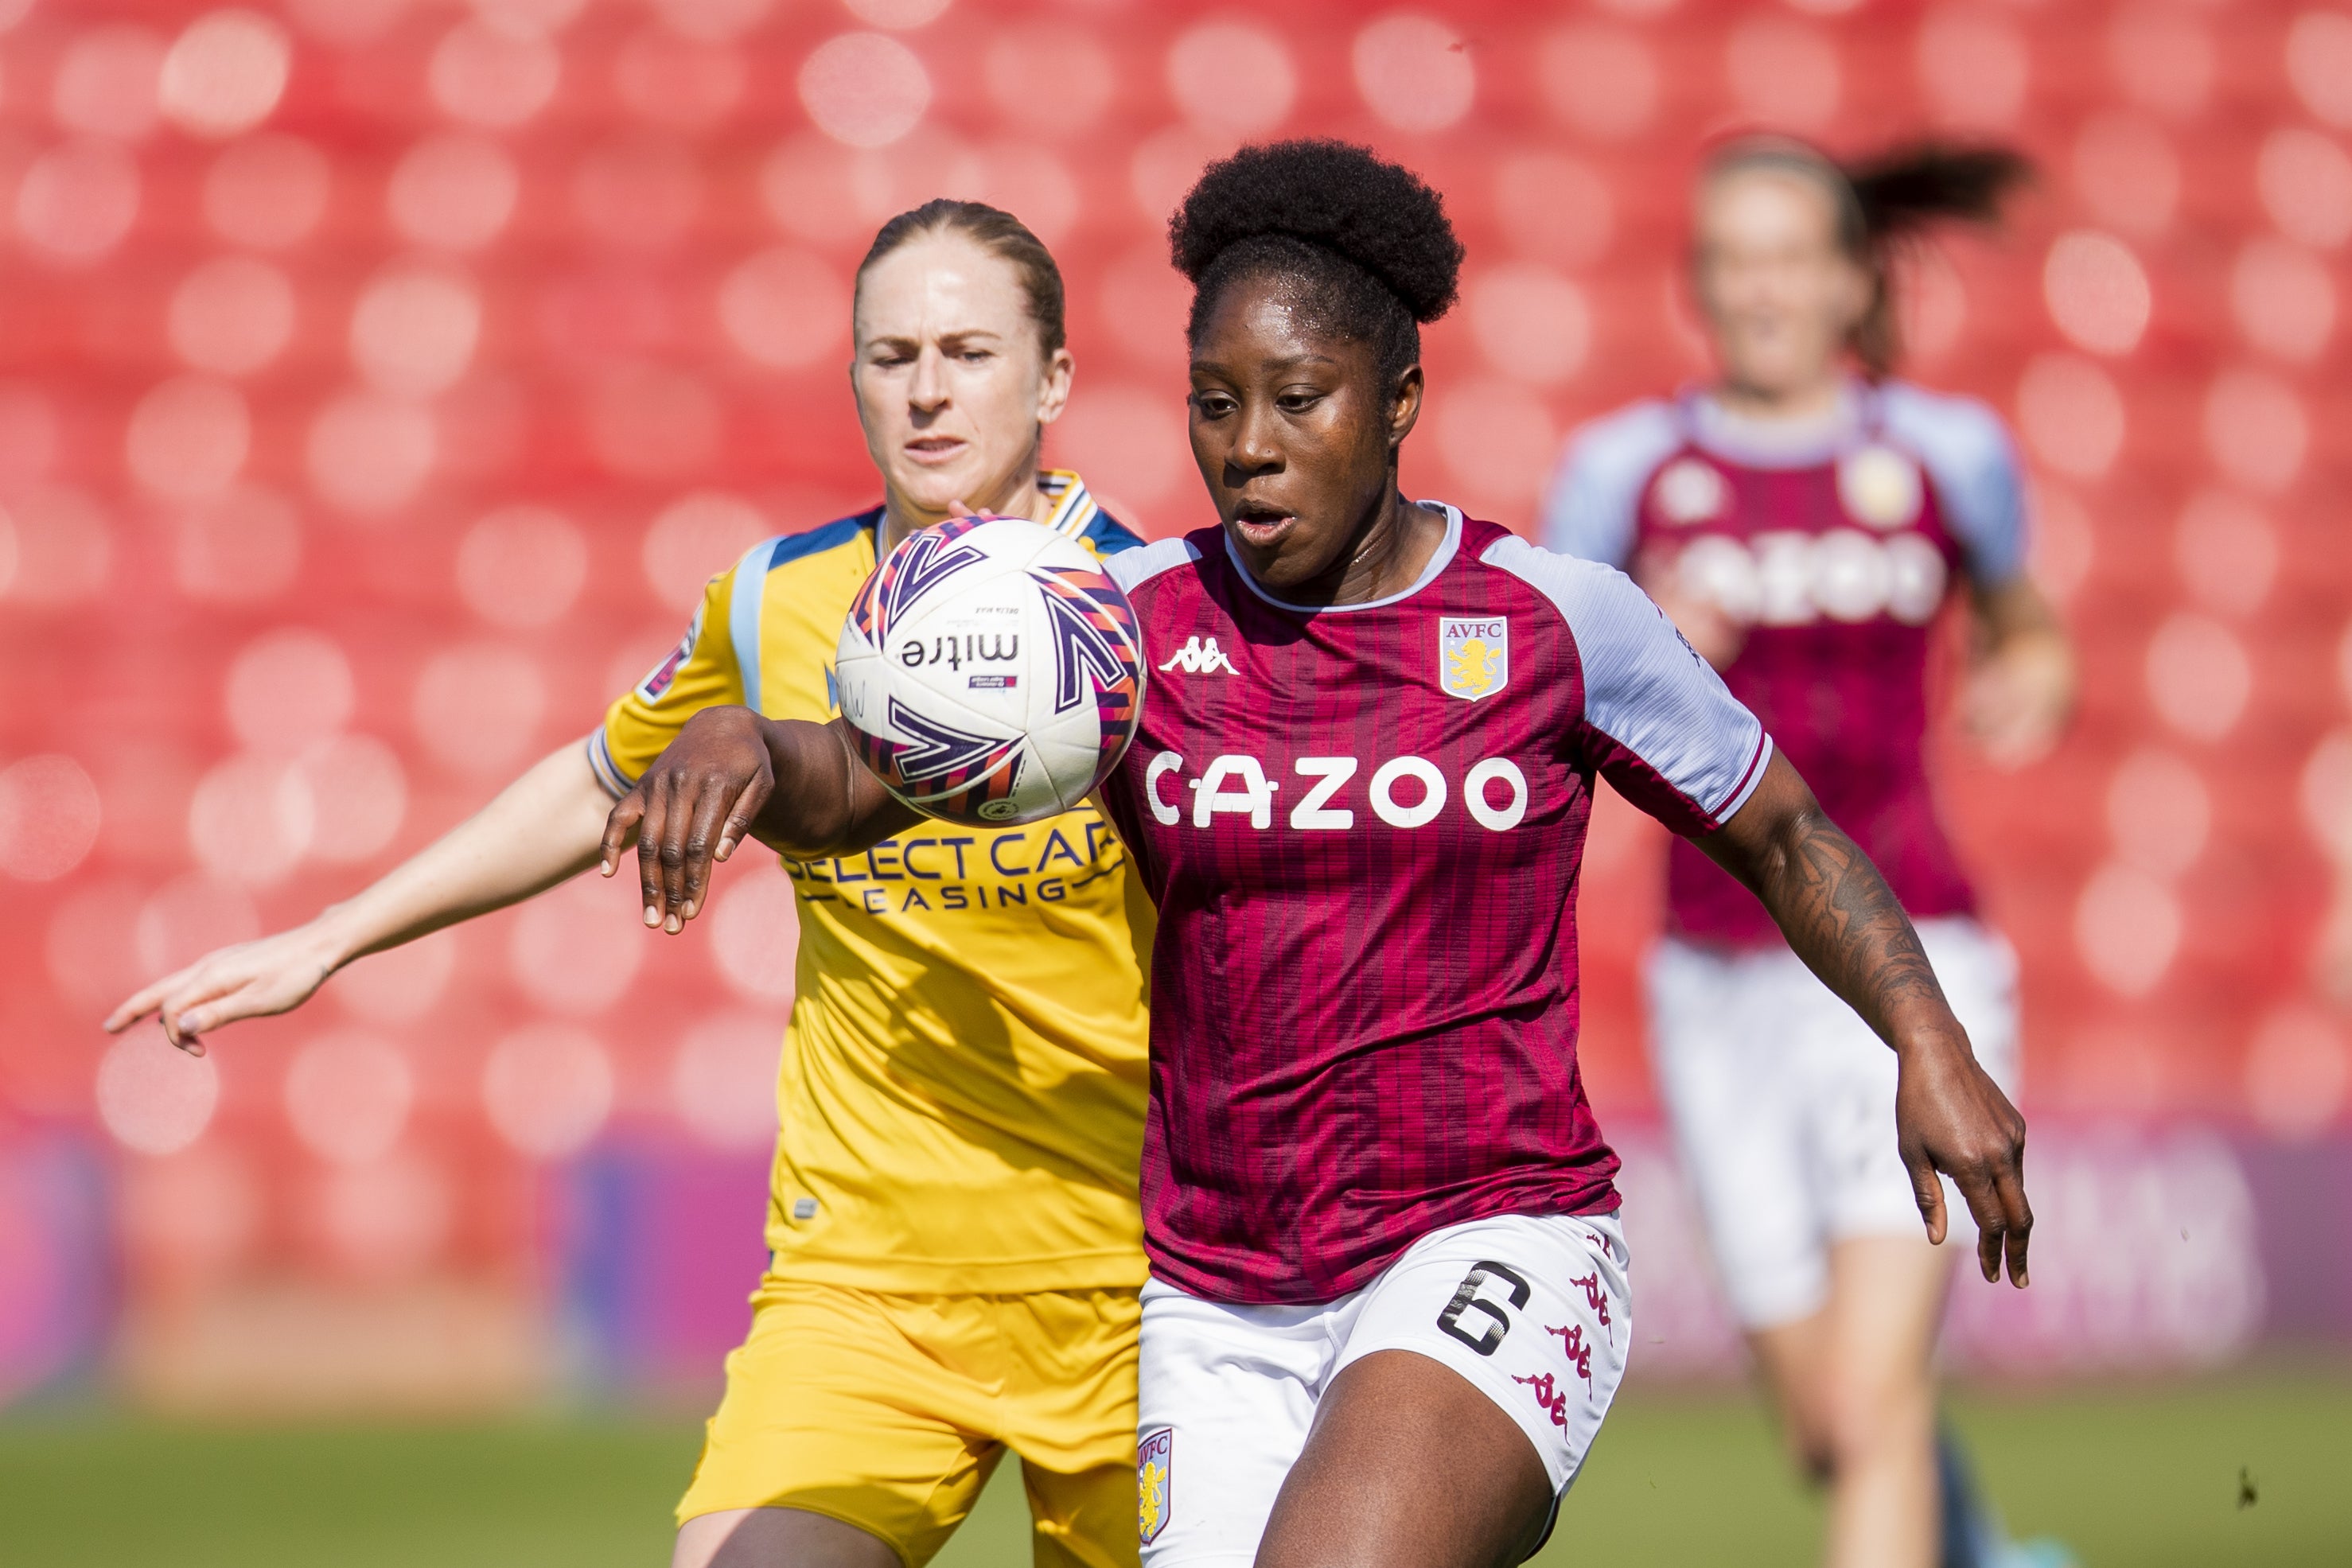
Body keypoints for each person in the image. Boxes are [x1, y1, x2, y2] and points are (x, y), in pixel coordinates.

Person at [609, 139, 2034, 1568]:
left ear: (1399, 400)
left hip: (1496, 1234)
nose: (1248, 445)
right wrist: (754, 746)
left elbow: (1781, 831)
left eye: (1298, 400)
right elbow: (871, 776)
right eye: (1214, 405)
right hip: (1220, 1292)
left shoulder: (1555, 624)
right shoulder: (1124, 627)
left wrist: (1926, 1036)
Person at [108, 200, 1156, 1568]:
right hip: (867, 1290)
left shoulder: (1155, 613)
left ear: (1056, 378)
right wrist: (336, 935)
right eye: (890, 354)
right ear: (850, 376)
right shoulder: (775, 601)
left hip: (1144, 1290)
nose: (929, 389)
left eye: (969, 349)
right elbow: (599, 778)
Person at [1541, 137, 2076, 1568]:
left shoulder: (1945, 452)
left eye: (1790, 256)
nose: (1761, 287)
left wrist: (2032, 676)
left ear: (1850, 280)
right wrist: (1645, 649)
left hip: (1914, 960)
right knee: (1827, 1423)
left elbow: (2028, 628)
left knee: (1881, 1400)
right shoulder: (1625, 473)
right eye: (1732, 258)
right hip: (1718, 985)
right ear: (1699, 284)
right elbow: (1531, 702)